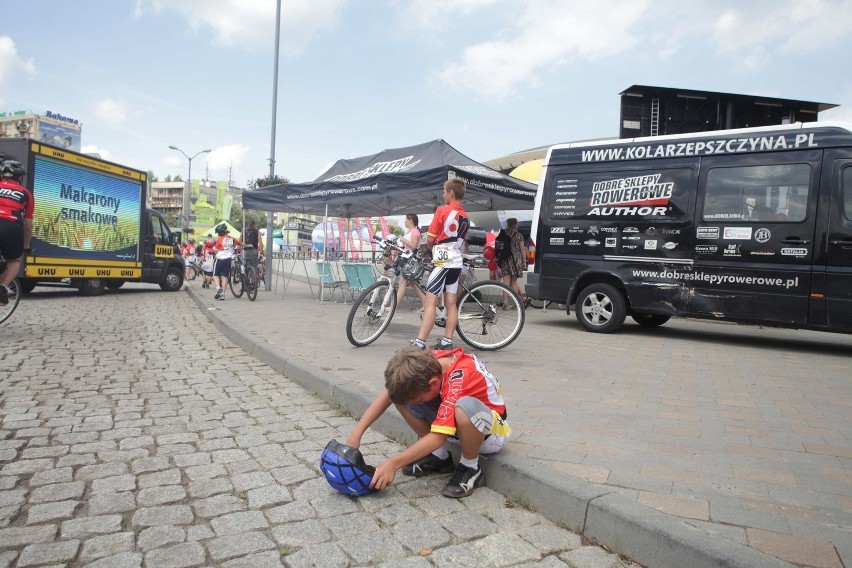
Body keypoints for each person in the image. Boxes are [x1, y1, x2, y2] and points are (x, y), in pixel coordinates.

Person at [345, 346, 511, 498]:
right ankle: (440, 457)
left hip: (488, 434)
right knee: (399, 396)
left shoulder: (460, 378)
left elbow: (439, 437)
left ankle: (470, 466)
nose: (418, 404)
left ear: (433, 383)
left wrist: (393, 464)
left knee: (463, 408)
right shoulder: (429, 364)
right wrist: (356, 435)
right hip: (457, 426)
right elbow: (389, 394)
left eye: (419, 401)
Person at [411, 178, 469, 350]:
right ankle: (447, 341)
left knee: (430, 302)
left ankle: (420, 342)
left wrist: (430, 246)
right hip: (456, 259)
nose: (443, 195)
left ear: (451, 193)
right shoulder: (465, 215)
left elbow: (430, 239)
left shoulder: (442, 210)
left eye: (444, 192)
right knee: (451, 303)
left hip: (443, 259)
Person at [0, 160, 33, 306]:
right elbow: (28, 225)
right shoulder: (26, 194)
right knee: (14, 260)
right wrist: (25, 245)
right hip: (11, 225)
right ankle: (2, 287)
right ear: (20, 178)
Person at [396, 214, 426, 312]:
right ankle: (426, 303)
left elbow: (414, 246)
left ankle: (394, 306)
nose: (404, 221)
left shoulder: (415, 231)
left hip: (412, 261)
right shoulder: (410, 232)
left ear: (411, 220)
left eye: (406, 219)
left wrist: (403, 240)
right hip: (408, 260)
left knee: (403, 282)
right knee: (413, 283)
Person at [497, 218, 528, 308]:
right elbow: (522, 249)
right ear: (516, 225)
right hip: (516, 260)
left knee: (506, 282)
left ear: (507, 224)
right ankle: (516, 302)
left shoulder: (503, 233)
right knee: (513, 282)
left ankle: (505, 302)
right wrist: (524, 262)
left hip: (505, 259)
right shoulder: (518, 235)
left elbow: (498, 246)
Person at [212, 225, 240, 300]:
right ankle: (223, 295)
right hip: (228, 259)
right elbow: (238, 243)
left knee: (215, 275)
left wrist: (215, 253)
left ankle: (218, 288)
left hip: (220, 258)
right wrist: (246, 245)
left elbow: (216, 249)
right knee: (225, 277)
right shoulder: (231, 238)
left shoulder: (219, 239)